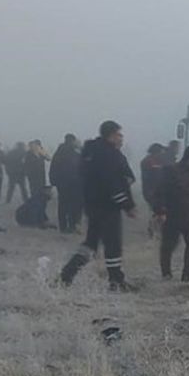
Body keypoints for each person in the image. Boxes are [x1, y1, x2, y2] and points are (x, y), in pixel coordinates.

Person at [59, 121, 137, 290]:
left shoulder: (91, 152)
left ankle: (67, 274)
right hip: (108, 206)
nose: (121, 138)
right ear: (111, 135)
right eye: (119, 134)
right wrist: (127, 204)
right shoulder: (109, 155)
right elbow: (115, 182)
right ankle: (116, 281)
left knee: (91, 243)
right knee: (113, 244)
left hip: (93, 205)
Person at [155, 145, 189, 281]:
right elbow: (160, 192)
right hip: (173, 214)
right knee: (168, 245)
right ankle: (166, 273)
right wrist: (160, 210)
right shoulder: (171, 171)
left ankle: (187, 275)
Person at [50, 134, 83, 233]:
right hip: (74, 183)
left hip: (62, 183)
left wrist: (53, 181)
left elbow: (53, 167)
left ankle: (63, 226)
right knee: (74, 205)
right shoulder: (75, 152)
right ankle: (72, 225)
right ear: (72, 141)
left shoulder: (59, 152)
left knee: (63, 204)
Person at [140, 144, 166, 238]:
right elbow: (147, 179)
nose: (162, 154)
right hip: (150, 191)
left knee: (160, 211)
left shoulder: (162, 161)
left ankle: (155, 228)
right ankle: (154, 229)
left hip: (160, 190)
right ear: (155, 152)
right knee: (157, 210)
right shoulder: (146, 162)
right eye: (160, 152)